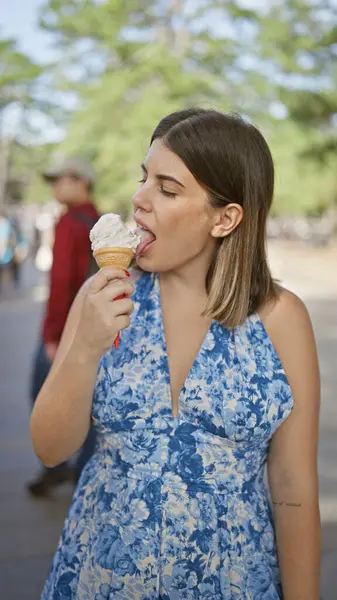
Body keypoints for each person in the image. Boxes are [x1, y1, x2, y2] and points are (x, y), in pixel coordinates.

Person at [31, 110, 321, 599]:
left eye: (167, 189)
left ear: (225, 218)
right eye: (144, 179)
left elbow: (293, 490)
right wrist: (84, 347)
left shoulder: (281, 318)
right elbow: (50, 449)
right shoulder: (102, 297)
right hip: (100, 575)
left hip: (231, 581)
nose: (139, 199)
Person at [27, 157, 100, 497]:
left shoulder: (70, 221)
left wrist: (53, 335)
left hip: (66, 330)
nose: (55, 188)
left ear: (78, 179)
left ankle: (57, 469)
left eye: (59, 180)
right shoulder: (96, 220)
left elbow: (61, 284)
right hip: (94, 327)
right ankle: (82, 469)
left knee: (42, 393)